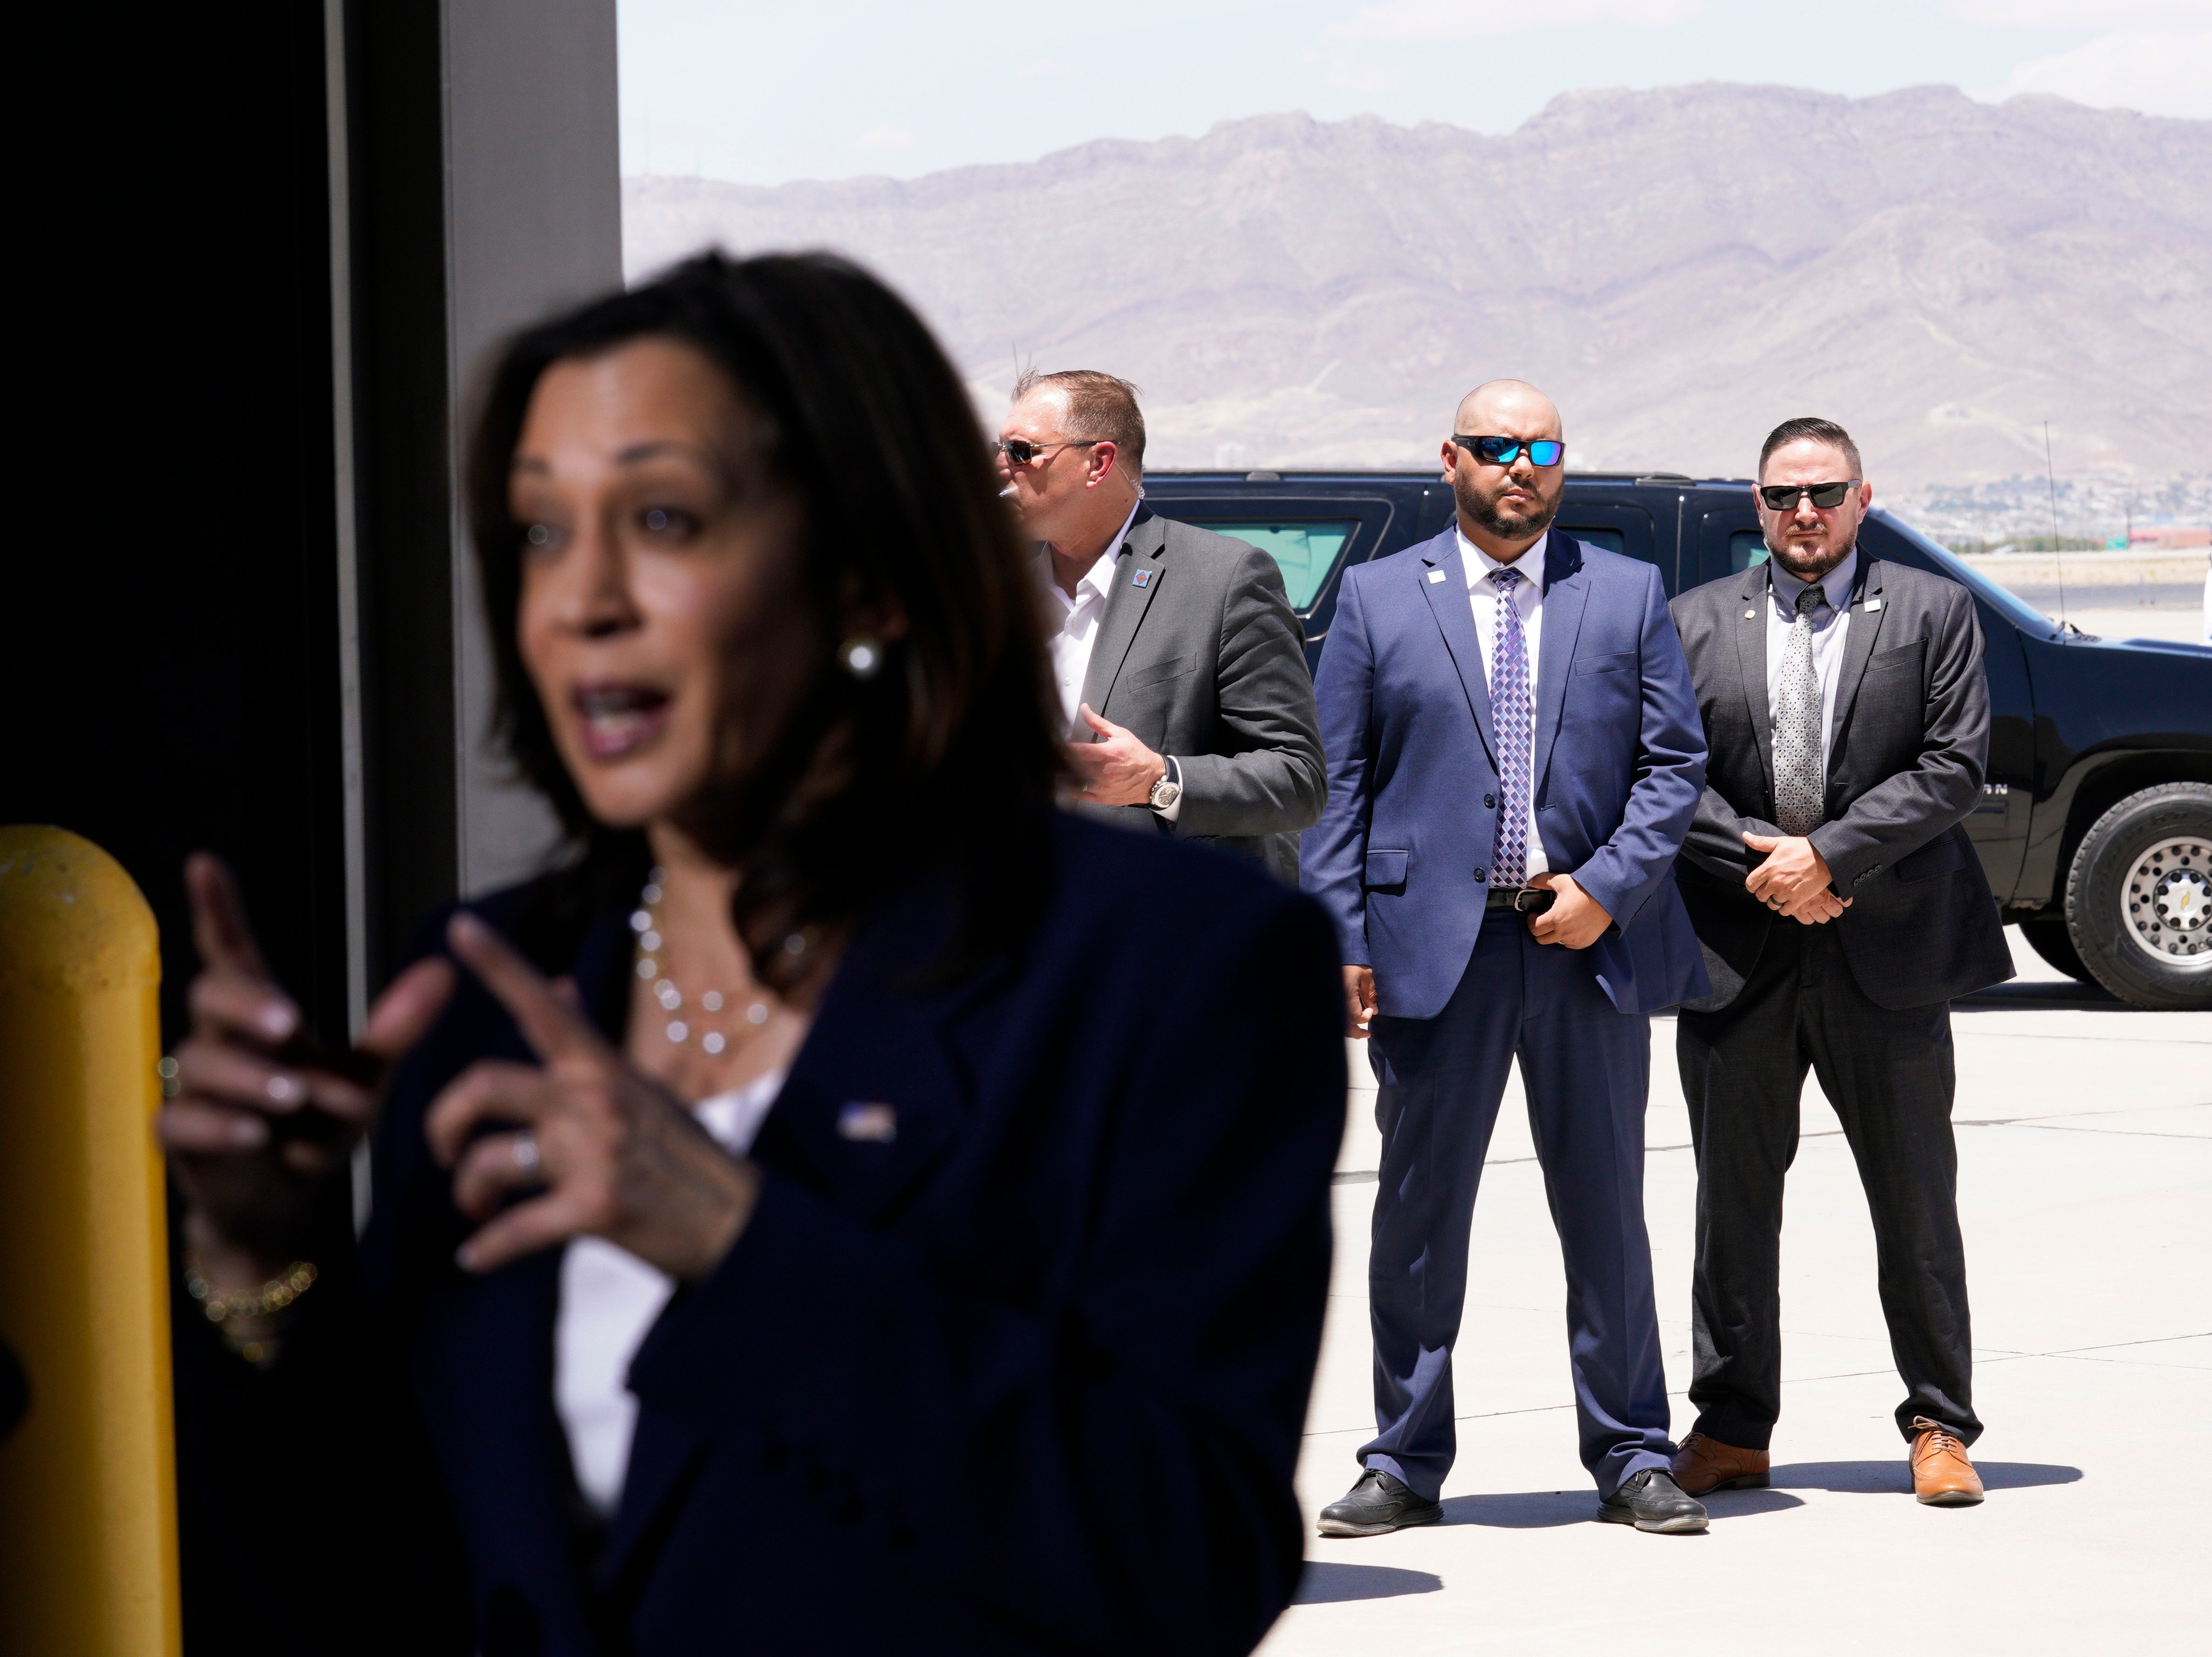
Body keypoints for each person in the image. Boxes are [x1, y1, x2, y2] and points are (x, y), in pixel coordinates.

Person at [160, 252, 1346, 1656]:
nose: (581, 600)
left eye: (663, 519)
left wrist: (733, 1242)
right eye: (540, 533)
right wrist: (261, 1264)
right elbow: (386, 1585)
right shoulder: (490, 983)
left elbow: (1185, 1563)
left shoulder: (1168, 976)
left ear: (871, 580)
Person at [1301, 379, 1712, 1538]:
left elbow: (1673, 767)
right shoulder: (1381, 598)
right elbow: (1338, 788)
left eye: (1539, 448)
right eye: (1495, 448)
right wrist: (1337, 938)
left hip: (1581, 945)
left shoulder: (1623, 593)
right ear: (1450, 460)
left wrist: (1606, 888)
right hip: (1434, 953)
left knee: (1606, 1208)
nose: (1517, 467)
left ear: (1562, 465)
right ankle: (1403, 1458)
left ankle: (1632, 1452)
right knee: (1420, 1217)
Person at [1666, 416, 2013, 1508]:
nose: (1803, 514)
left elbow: (1954, 766)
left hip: (1889, 951)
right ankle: (1730, 1427)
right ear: (1754, 506)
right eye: (1782, 496)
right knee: (1730, 1204)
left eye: (1824, 493)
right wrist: (1764, 867)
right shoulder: (1691, 623)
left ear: (1864, 498)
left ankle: (1939, 1424)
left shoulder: (1931, 611)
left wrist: (1828, 857)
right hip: (1737, 949)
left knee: (1914, 1199)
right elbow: (1667, 770)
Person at [997, 369, 1324, 881]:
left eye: (1021, 451)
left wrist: (1159, 780)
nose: (1000, 468)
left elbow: (1296, 781)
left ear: (1097, 463)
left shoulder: (1224, 579)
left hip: (1159, 933)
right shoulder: (996, 597)